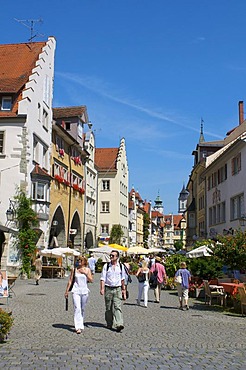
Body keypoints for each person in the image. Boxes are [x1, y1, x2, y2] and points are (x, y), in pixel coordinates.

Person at [65, 256, 93, 334]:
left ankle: (81, 323)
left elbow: (91, 280)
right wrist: (67, 291)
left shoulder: (87, 270)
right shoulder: (74, 270)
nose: (79, 261)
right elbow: (70, 280)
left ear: (84, 261)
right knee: (77, 308)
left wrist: (85, 274)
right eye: (78, 260)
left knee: (82, 308)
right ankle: (78, 327)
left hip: (84, 291)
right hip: (76, 290)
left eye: (81, 260)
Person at [100, 250, 126, 332]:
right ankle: (109, 323)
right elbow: (102, 278)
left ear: (117, 257)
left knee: (117, 306)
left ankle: (119, 324)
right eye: (110, 255)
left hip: (117, 288)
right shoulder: (106, 266)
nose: (111, 257)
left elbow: (122, 279)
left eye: (113, 256)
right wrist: (102, 288)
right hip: (108, 288)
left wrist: (124, 290)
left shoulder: (121, 266)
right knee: (108, 308)